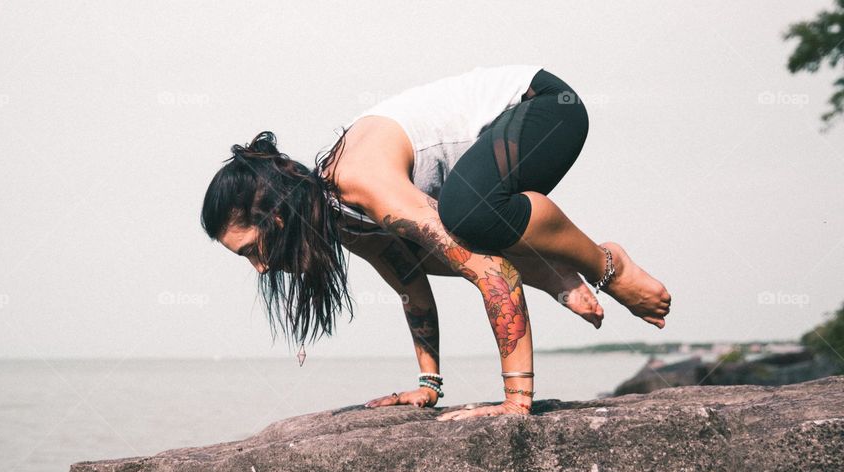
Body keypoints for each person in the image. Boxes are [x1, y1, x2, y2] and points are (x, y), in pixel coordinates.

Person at [201, 64, 671, 421]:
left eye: (251, 251)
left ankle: (607, 263)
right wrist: (429, 384)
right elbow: (411, 286)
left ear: (278, 218)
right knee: (435, 249)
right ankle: (551, 272)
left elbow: (492, 272)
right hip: (498, 149)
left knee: (468, 216)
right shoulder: (341, 218)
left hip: (545, 106)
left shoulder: (361, 184)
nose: (261, 269)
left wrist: (516, 402)